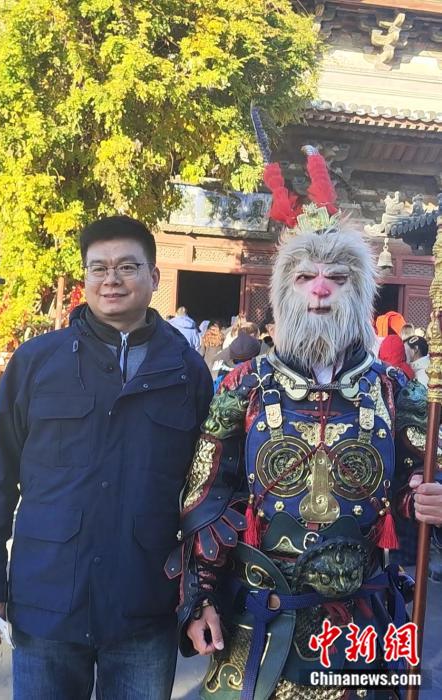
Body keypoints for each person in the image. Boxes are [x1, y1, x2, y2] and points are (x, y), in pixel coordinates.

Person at [167, 146, 424, 700]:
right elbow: (207, 500)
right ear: (286, 290)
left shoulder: (394, 388)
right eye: (306, 276)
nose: (321, 288)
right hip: (260, 618)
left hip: (362, 622)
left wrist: (427, 495)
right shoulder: (245, 386)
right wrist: (201, 598)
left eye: (337, 277)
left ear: (359, 291)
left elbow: (415, 483)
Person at [0, 215, 213, 700]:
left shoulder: (186, 372)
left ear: (154, 276)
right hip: (47, 601)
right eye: (99, 268)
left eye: (127, 266)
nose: (112, 279)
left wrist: (204, 595)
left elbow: (207, 492)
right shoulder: (37, 362)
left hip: (144, 602)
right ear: (85, 277)